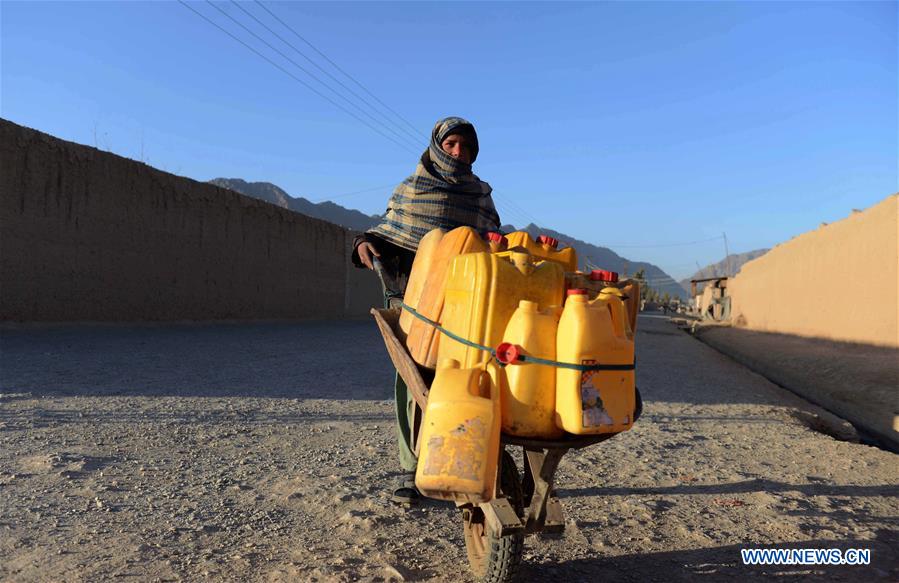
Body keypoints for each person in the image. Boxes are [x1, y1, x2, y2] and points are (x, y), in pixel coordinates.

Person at [351, 116, 500, 503]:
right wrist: (362, 243)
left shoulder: (480, 196)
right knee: (412, 381)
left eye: (466, 147)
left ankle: (465, 461)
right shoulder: (413, 189)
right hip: (414, 302)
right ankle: (412, 467)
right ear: (437, 146)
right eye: (451, 144)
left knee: (466, 380)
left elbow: (492, 240)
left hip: (468, 305)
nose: (458, 152)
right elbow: (388, 231)